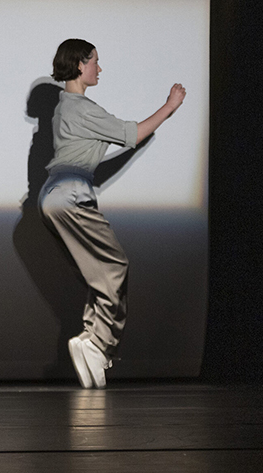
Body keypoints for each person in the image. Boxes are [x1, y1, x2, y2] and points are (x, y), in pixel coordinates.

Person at [39, 39, 186, 389]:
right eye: (95, 62)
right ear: (80, 65)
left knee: (101, 273)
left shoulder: (64, 109)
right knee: (115, 266)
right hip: (70, 196)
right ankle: (96, 343)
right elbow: (132, 134)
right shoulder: (80, 109)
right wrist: (170, 106)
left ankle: (93, 341)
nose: (99, 68)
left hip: (55, 197)